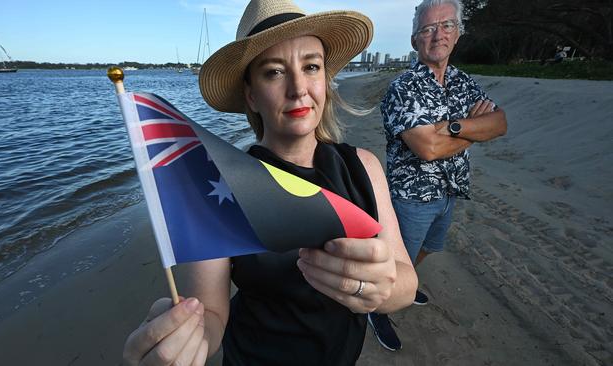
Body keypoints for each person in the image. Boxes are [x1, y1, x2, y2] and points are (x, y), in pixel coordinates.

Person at [122, 1, 418, 365]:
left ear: (325, 79)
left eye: (311, 67)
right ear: (250, 94)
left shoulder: (364, 167)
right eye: (274, 72)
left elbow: (406, 283)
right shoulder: (222, 186)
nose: (298, 88)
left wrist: (380, 290)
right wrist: (184, 339)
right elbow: (211, 317)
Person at [368, 0, 508, 352]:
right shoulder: (404, 87)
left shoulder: (463, 82)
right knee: (396, 260)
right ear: (415, 40)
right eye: (428, 29)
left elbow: (499, 123)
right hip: (411, 196)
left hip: (450, 191)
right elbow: (426, 149)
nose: (438, 34)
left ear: (458, 33)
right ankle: (377, 309)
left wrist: (453, 127)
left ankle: (406, 280)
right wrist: (473, 131)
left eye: (446, 25)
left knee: (430, 248)